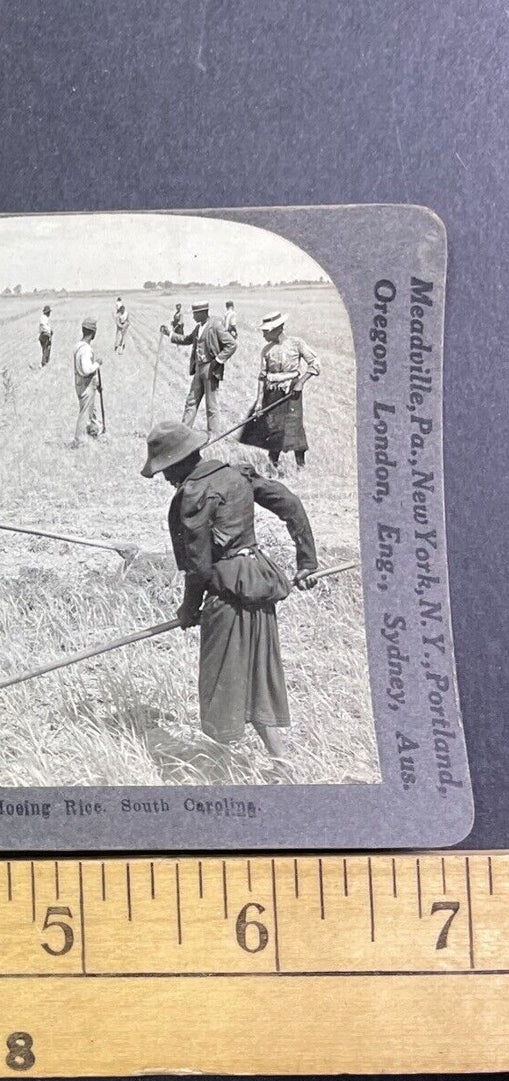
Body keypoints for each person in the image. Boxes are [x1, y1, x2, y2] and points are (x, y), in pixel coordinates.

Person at [140, 420, 319, 775]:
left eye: (164, 470)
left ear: (179, 462)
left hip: (227, 595)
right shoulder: (237, 476)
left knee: (220, 683)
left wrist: (189, 609)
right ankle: (279, 761)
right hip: (258, 585)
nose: (164, 479)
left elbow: (199, 568)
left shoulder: (191, 497)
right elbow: (291, 504)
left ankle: (221, 770)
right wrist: (307, 561)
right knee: (257, 677)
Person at [240, 312, 321, 474]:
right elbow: (262, 378)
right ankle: (273, 466)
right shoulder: (266, 350)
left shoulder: (296, 344)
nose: (263, 334)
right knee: (273, 428)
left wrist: (300, 383)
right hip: (272, 393)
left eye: (266, 331)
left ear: (277, 329)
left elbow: (315, 364)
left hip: (291, 392)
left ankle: (300, 468)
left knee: (294, 427)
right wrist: (259, 401)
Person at [167, 300, 237, 434]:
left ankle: (214, 435)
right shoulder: (199, 327)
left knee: (211, 405)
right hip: (199, 369)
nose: (193, 317)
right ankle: (184, 433)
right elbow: (187, 339)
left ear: (203, 313)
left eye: (195, 314)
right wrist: (169, 334)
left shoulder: (215, 326)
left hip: (211, 369)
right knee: (191, 401)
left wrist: (218, 360)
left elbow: (232, 344)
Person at [71, 317, 103, 447]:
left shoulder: (78, 346)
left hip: (80, 383)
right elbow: (86, 370)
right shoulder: (85, 349)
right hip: (86, 384)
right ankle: (79, 440)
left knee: (90, 410)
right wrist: (97, 364)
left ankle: (93, 431)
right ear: (93, 333)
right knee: (84, 413)